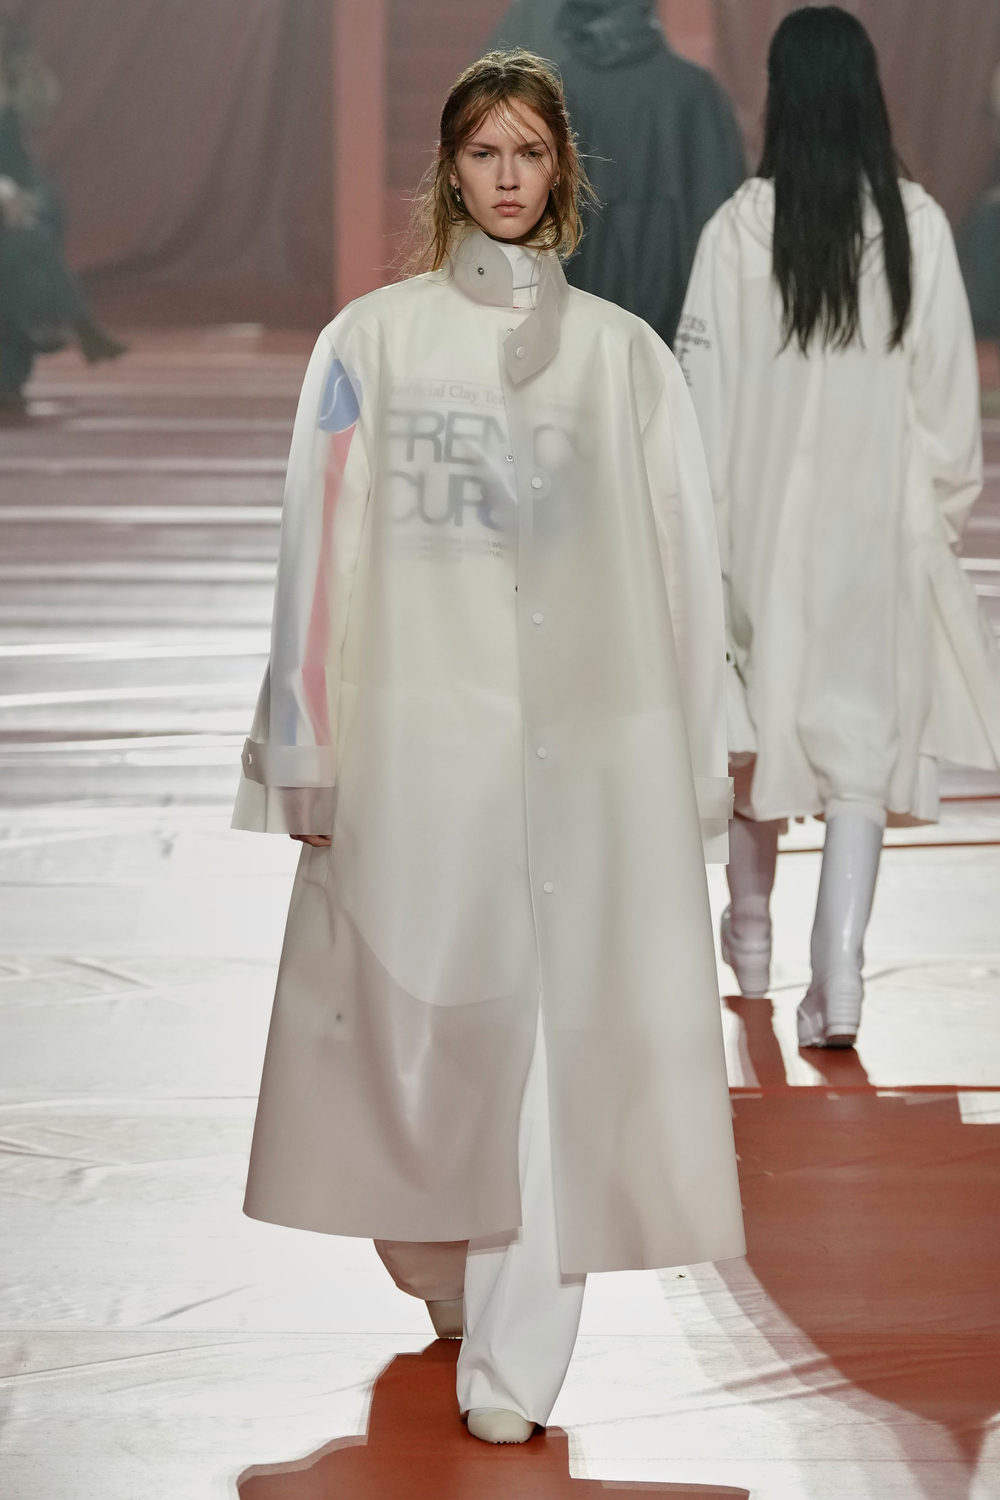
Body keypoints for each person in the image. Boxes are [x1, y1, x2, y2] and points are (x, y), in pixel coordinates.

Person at [232, 48, 744, 1445]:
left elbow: (684, 570)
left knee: (547, 1056)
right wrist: (305, 743)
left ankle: (518, 1362)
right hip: (417, 749)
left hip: (589, 758)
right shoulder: (371, 345)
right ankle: (446, 1268)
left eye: (529, 152)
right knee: (408, 1035)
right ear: (450, 170)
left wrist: (695, 762)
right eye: (483, 154)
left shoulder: (625, 361)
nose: (507, 178)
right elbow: (317, 553)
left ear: (559, 167)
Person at [677, 7, 1000, 1049]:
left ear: (778, 98)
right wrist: (932, 522)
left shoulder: (737, 230)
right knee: (860, 748)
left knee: (754, 731)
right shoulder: (915, 227)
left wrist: (698, 538)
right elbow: (945, 409)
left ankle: (752, 935)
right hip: (876, 535)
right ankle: (841, 972)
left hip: (754, 531)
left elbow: (699, 403)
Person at [484, 0, 746, 346]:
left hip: (577, 313)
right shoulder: (695, 94)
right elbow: (725, 216)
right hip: (682, 318)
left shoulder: (555, 93)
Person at [0, 17, 124, 414]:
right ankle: (68, 321)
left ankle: (28, 348)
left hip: (17, 198)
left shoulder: (15, 93)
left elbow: (29, 131)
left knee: (35, 233)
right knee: (27, 248)